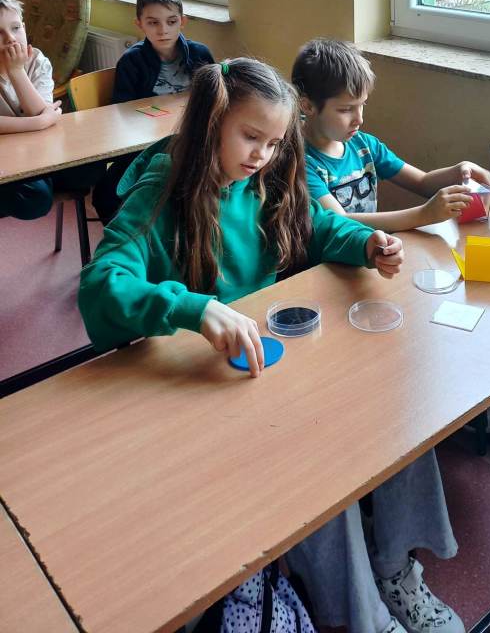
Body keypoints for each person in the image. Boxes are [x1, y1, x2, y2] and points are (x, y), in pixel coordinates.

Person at [79, 58, 463, 633]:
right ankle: (365, 617)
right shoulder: (161, 191)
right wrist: (192, 307)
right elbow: (100, 286)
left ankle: (395, 567)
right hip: (208, 387)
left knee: (395, 410)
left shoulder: (263, 178)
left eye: (275, 142)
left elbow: (318, 226)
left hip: (271, 361)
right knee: (315, 472)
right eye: (251, 137)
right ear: (210, 125)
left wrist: (367, 244)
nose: (262, 154)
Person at [291, 38, 490, 231]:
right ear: (307, 106)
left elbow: (422, 182)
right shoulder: (299, 163)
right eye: (345, 110)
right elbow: (340, 222)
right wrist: (424, 215)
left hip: (369, 250)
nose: (359, 119)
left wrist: (458, 172)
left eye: (362, 105)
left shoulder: (364, 146)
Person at [91, 0, 214, 224]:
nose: (163, 30)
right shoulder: (132, 61)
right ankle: (130, 236)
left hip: (194, 139)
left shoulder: (200, 54)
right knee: (107, 195)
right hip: (145, 145)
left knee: (188, 187)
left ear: (182, 21)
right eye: (153, 22)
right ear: (139, 24)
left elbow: (213, 98)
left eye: (171, 21)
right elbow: (121, 111)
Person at [0, 0, 61, 220]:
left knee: (89, 172)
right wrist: (40, 122)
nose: (10, 39)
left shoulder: (37, 61)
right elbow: (42, 117)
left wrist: (17, 71)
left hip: (33, 152)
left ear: (24, 28)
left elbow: (39, 111)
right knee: (34, 198)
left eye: (16, 28)